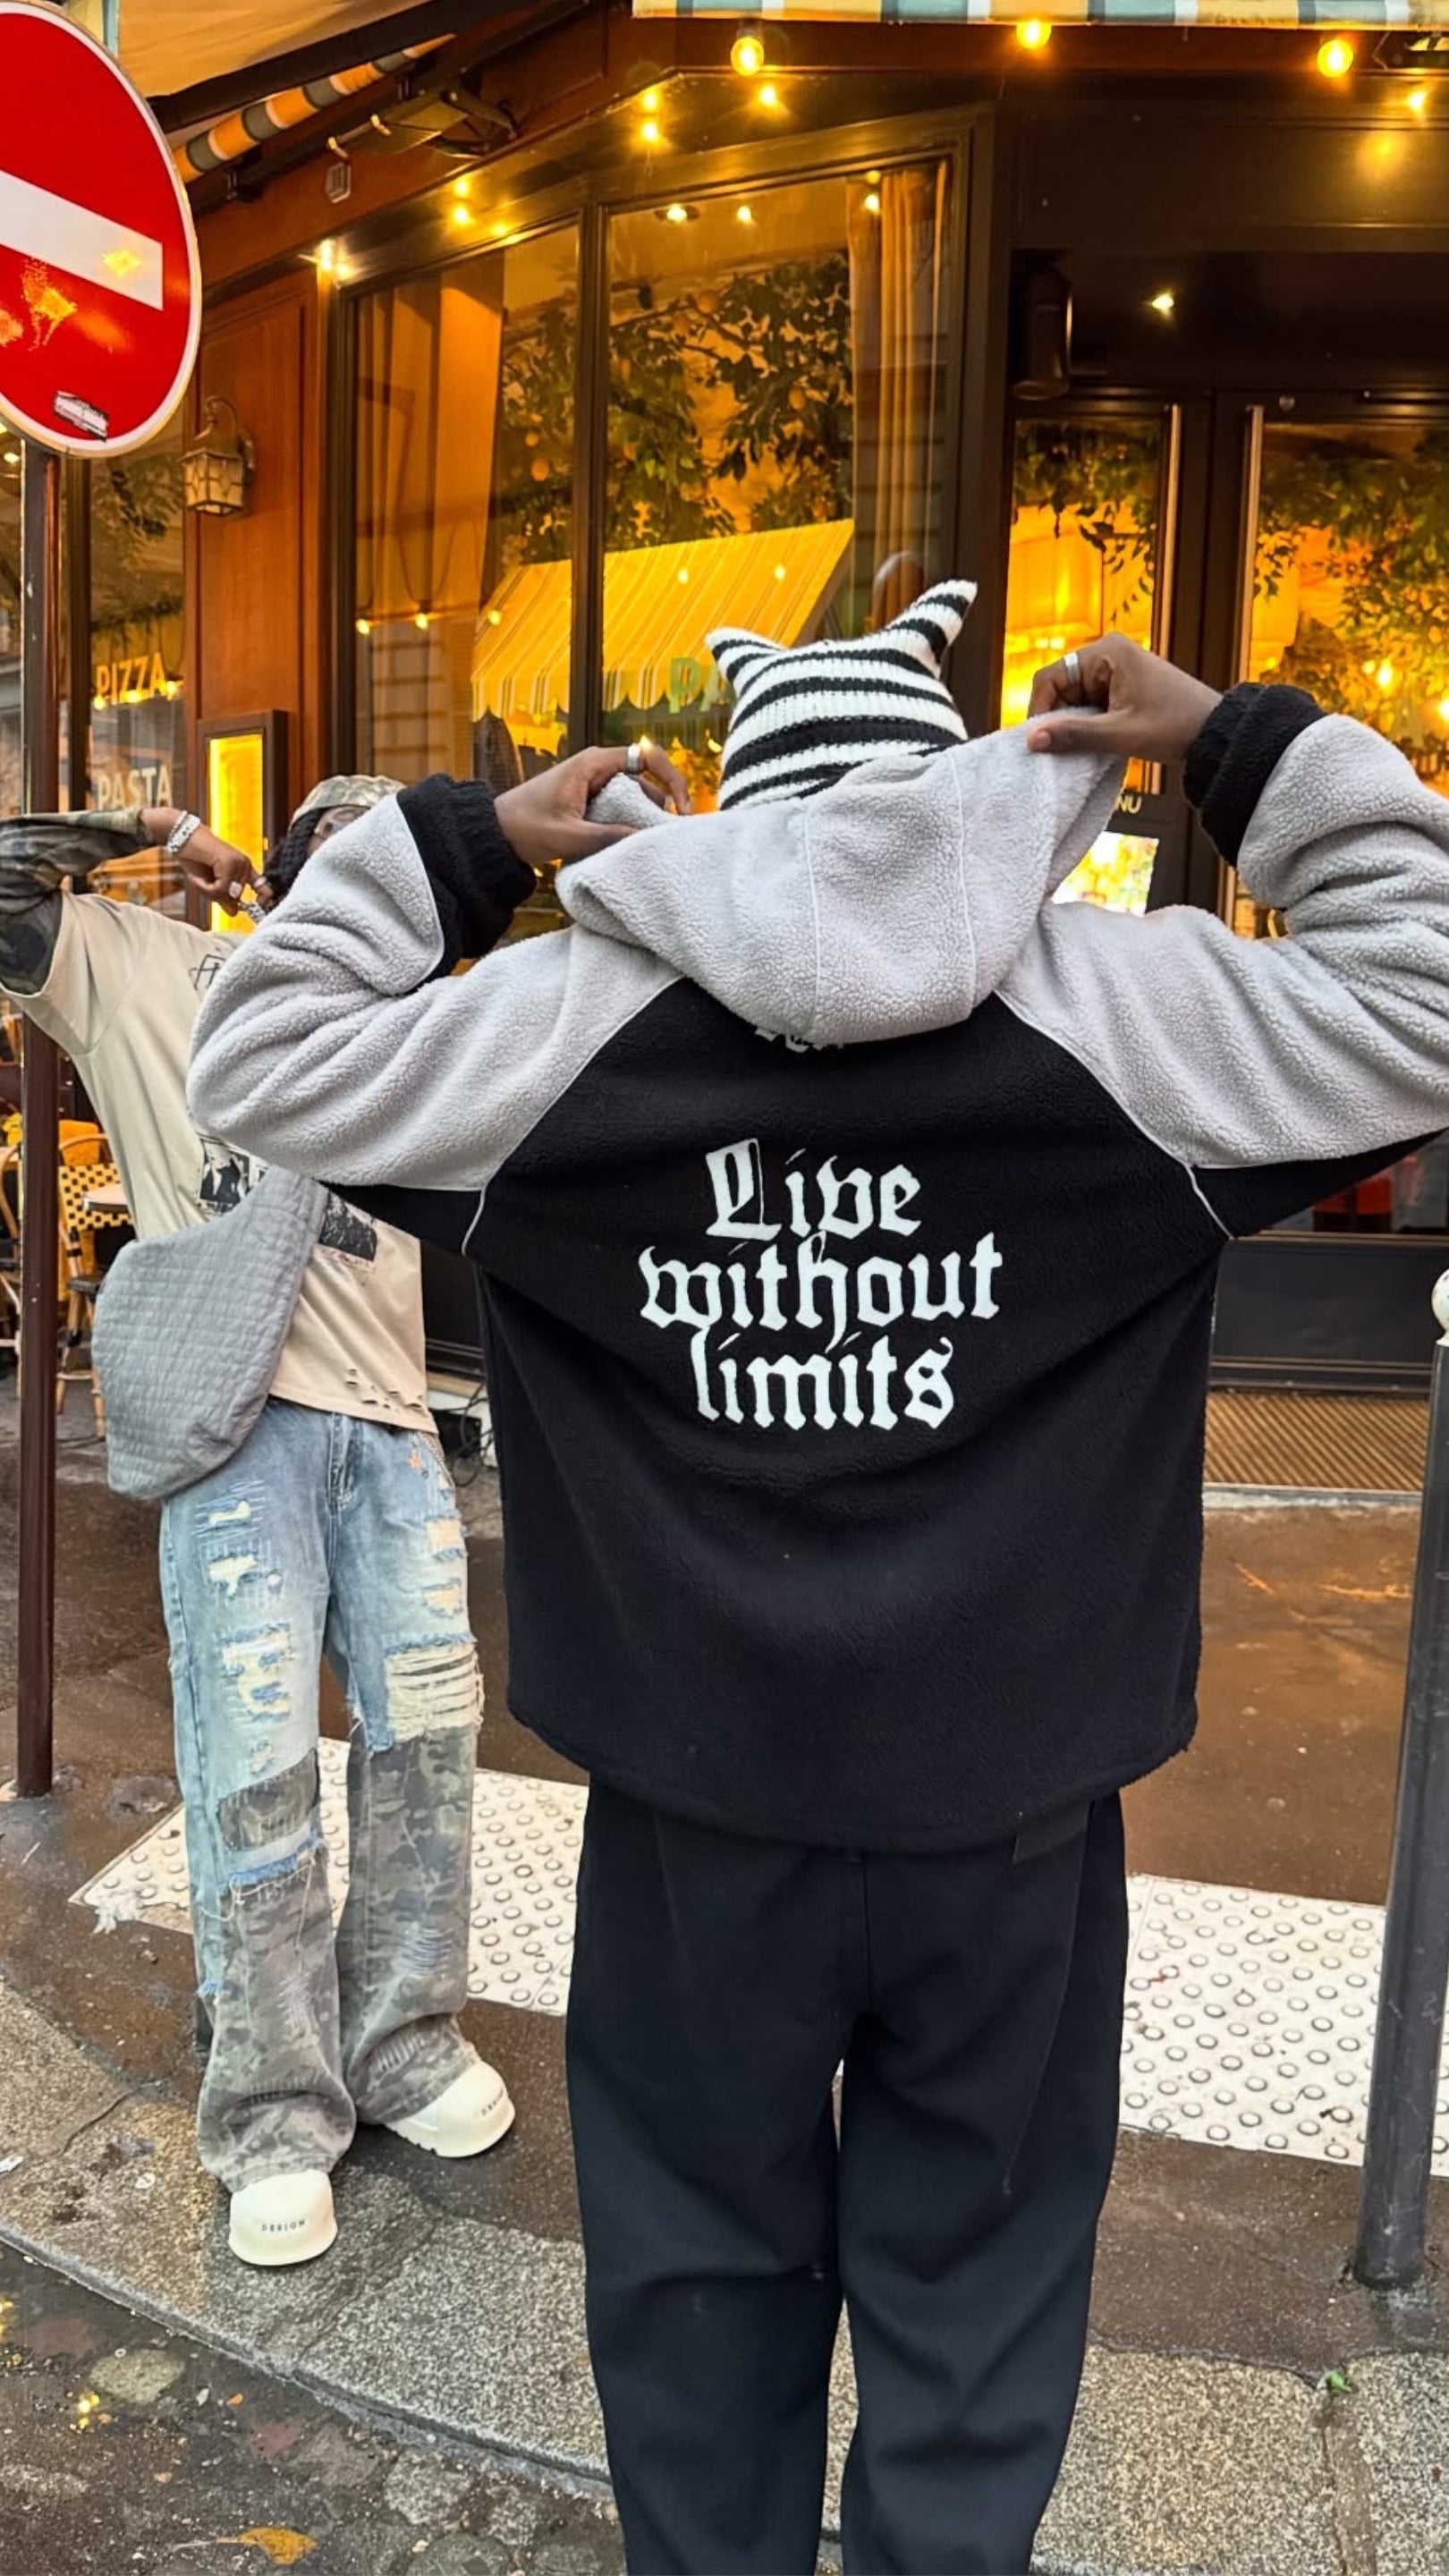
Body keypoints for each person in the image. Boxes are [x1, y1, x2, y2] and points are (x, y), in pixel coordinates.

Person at [189, 608, 1449, 2572]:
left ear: (729, 807)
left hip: (693, 1818)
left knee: (695, 2291)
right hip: (1016, 1819)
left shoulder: (553, 1038)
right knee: (981, 2303)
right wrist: (1243, 741)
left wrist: (464, 842)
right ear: (975, 787)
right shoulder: (1136, 1021)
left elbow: (253, 1050)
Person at [0, 775, 548, 2271]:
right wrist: (149, 834)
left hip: (396, 1429)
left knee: (427, 1746)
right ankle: (269, 2106)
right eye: (354, 863)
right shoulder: (158, 970)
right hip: (237, 1433)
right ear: (295, 876)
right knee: (253, 1772)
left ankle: (403, 2042)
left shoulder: (418, 1024)